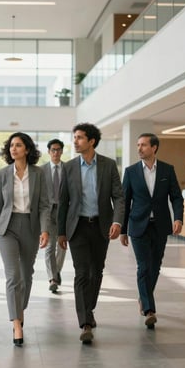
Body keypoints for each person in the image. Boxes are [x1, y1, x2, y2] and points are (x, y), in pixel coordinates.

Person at [57, 123, 124, 344]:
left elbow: (118, 197)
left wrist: (117, 222)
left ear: (92, 141)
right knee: (82, 273)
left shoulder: (108, 165)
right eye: (74, 137)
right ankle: (84, 321)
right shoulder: (69, 167)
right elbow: (63, 202)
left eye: (80, 138)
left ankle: (89, 308)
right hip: (78, 227)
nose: (75, 141)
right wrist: (61, 233)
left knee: (97, 272)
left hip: (101, 226)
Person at [0, 132, 50, 347]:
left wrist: (45, 230)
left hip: (31, 227)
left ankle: (19, 309)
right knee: (13, 276)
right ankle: (16, 323)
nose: (13, 149)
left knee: (26, 275)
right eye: (11, 146)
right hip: (7, 228)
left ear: (27, 149)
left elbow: (44, 204)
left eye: (18, 145)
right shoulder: (3, 173)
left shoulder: (39, 173)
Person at [120, 133, 184, 329]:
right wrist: (123, 230)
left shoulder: (167, 170)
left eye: (143, 145)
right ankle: (149, 309)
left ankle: (144, 297)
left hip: (160, 225)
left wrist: (178, 217)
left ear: (154, 147)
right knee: (144, 266)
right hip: (138, 225)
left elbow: (176, 197)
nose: (139, 148)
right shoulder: (131, 172)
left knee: (155, 266)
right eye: (138, 145)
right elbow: (125, 201)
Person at [41, 138, 66, 293]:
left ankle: (56, 271)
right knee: (50, 246)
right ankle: (53, 278)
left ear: (62, 151)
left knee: (62, 245)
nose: (56, 152)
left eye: (58, 149)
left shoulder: (68, 168)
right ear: (49, 152)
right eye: (53, 150)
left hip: (64, 211)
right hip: (47, 212)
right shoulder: (41, 170)